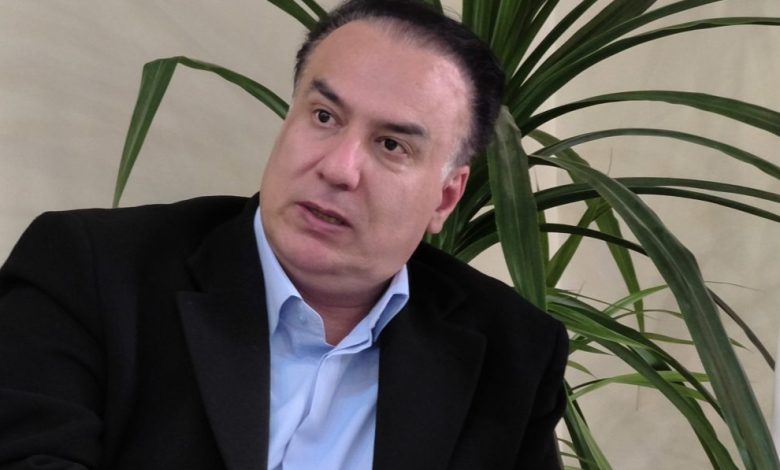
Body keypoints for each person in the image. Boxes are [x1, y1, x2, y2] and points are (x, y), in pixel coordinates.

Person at [0, 0, 568, 468]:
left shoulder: (513, 357)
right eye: (324, 116)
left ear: (445, 197)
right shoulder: (89, 271)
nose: (338, 169)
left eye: (392, 145)